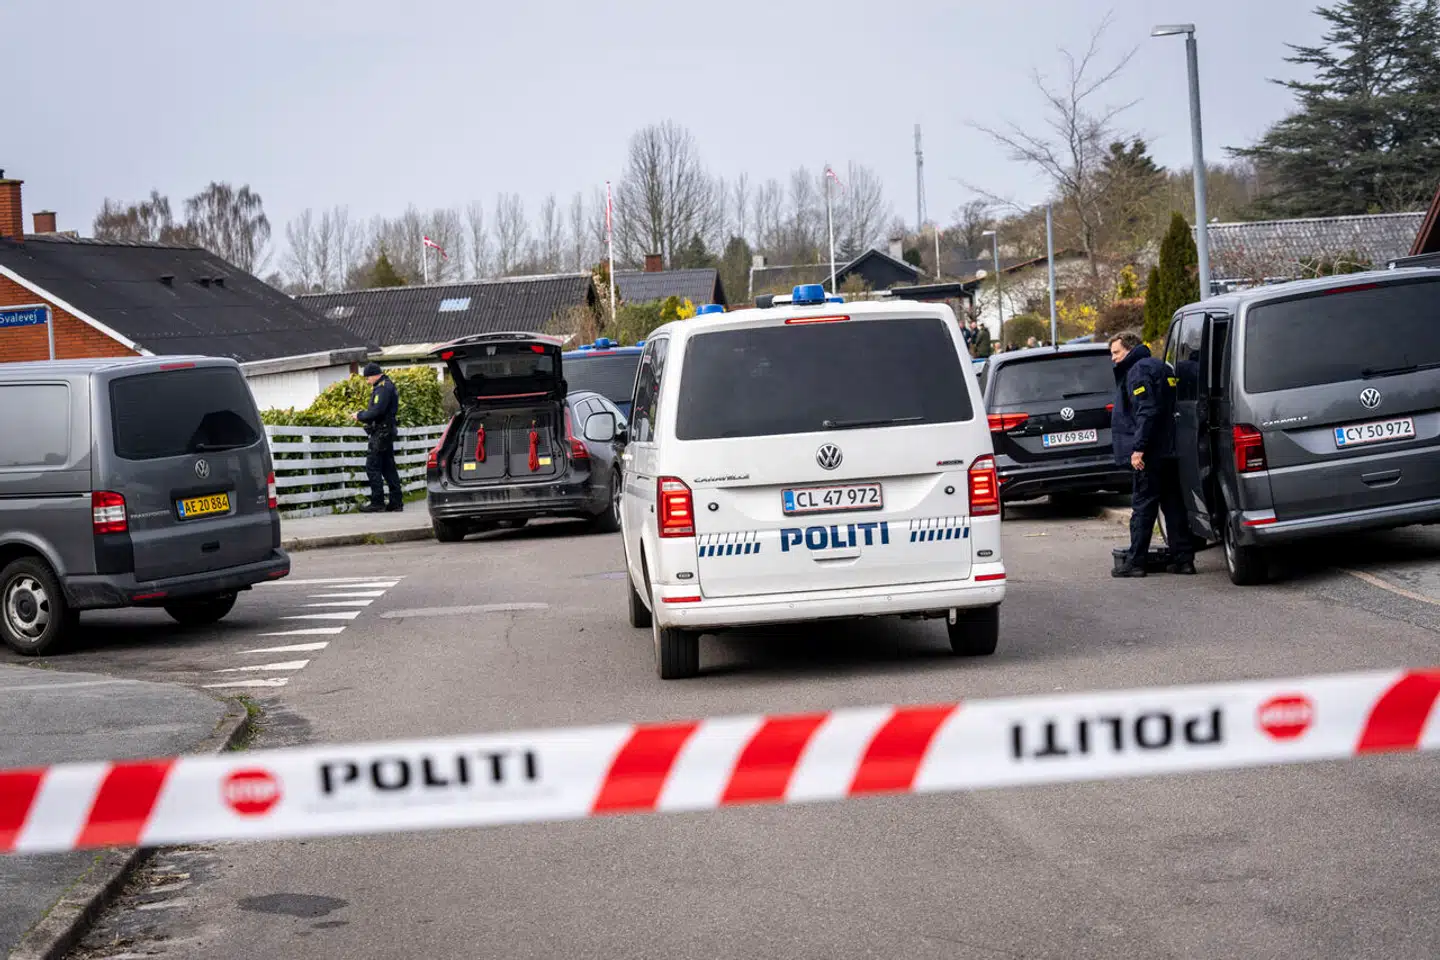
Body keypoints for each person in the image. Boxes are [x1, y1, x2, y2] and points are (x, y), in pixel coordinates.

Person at [1108, 332, 1194, 577]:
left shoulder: (1137, 371)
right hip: (1170, 450)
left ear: (1130, 349)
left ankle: (1135, 563)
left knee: (1143, 508)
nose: (1113, 359)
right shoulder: (1161, 366)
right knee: (1174, 507)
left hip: (1150, 454)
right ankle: (1184, 560)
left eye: (1116, 352)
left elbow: (1147, 411)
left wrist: (1139, 448)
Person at [354, 362, 403, 513]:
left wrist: (359, 415)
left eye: (368, 378)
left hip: (381, 433)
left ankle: (377, 502)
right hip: (387, 431)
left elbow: (377, 411)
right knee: (388, 467)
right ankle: (396, 502)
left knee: (372, 466)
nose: (367, 381)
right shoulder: (388, 385)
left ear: (375, 375)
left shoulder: (382, 388)